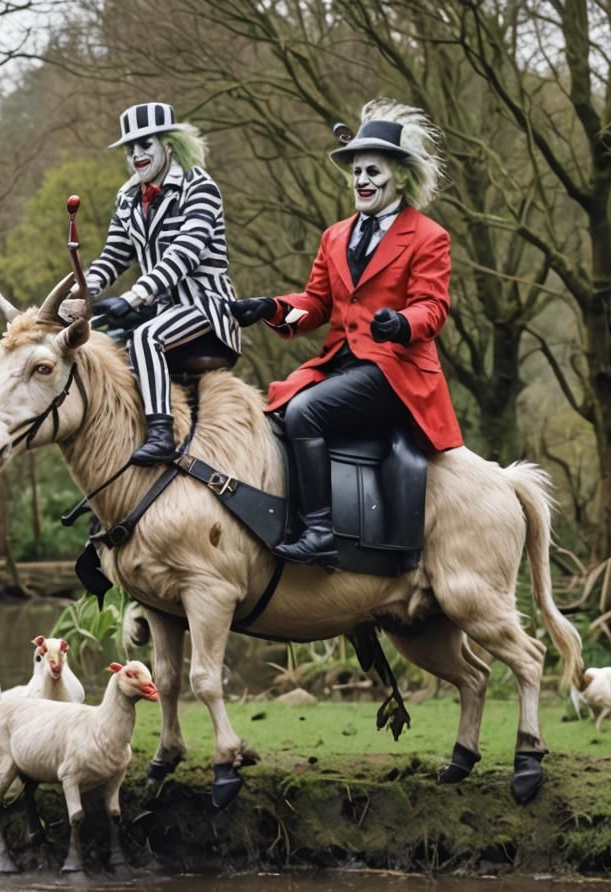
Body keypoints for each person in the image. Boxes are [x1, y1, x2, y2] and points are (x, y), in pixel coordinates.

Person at [230, 100, 463, 569]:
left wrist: (402, 323)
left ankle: (320, 533)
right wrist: (273, 309)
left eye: (373, 171)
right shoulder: (335, 236)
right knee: (275, 409)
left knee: (306, 412)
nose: (362, 180)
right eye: (356, 172)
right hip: (341, 363)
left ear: (400, 177)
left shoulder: (428, 236)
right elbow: (316, 305)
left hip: (395, 370)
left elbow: (433, 307)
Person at [67, 102, 241, 465]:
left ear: (168, 145)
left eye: (145, 145)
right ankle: (115, 440)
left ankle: (161, 434)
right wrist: (81, 291)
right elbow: (114, 255)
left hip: (206, 307)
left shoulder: (200, 188)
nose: (136, 155)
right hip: (162, 310)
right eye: (130, 149)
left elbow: (184, 252)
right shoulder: (127, 198)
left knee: (144, 337)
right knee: (96, 347)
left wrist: (133, 297)